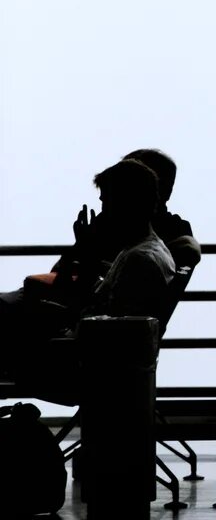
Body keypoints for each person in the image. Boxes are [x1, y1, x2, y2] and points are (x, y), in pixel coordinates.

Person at [0, 158, 179, 380]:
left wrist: (86, 255)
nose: (103, 212)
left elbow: (97, 328)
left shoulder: (138, 260)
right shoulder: (148, 250)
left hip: (86, 363)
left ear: (126, 204)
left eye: (107, 203)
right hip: (99, 354)